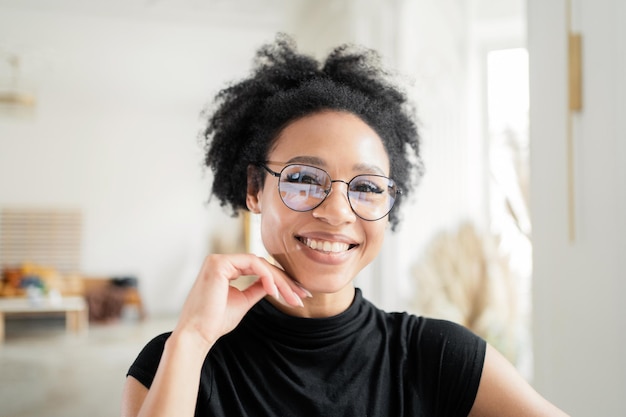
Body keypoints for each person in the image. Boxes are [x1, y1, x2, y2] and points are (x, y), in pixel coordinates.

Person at [121, 35, 569, 417]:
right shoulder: (175, 361)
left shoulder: (438, 355)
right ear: (255, 189)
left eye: (368, 187)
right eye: (302, 179)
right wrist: (193, 338)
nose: (336, 213)